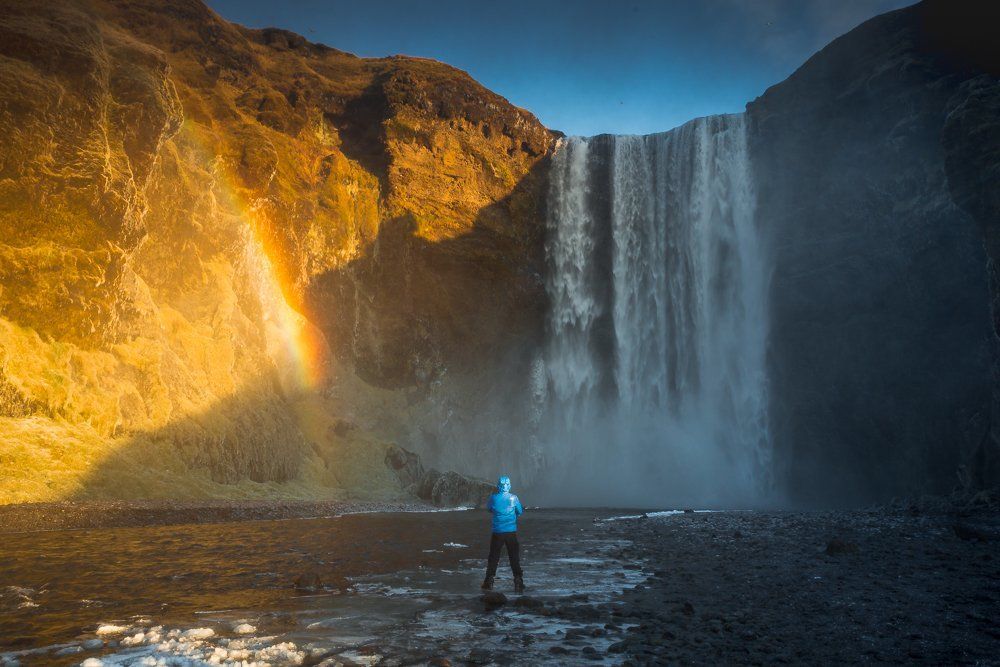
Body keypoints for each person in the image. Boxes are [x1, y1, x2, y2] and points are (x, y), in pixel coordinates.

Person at [481, 475, 524, 593]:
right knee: (514, 557)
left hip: (497, 533)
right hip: (511, 532)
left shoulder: (493, 498)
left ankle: (488, 581)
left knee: (493, 557)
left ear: (498, 486)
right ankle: (518, 580)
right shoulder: (514, 498)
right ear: (509, 485)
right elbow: (520, 511)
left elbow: (489, 509)